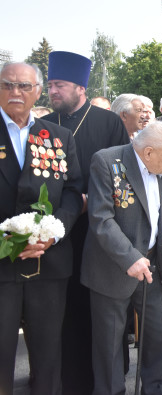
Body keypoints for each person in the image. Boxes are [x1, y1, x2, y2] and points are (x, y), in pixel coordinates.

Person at [43, 50, 130, 394]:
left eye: (59, 85)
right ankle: (71, 381)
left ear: (80, 87)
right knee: (66, 312)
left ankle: (109, 379)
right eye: (50, 85)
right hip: (58, 234)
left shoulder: (109, 123)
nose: (53, 92)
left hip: (99, 233)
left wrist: (91, 204)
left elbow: (121, 180)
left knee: (104, 313)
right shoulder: (45, 125)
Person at [0, 62, 82, 395]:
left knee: (49, 355)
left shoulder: (58, 137)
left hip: (48, 263)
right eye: (7, 85)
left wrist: (54, 229)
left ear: (37, 90)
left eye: (23, 86)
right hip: (1, 266)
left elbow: (75, 192)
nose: (15, 92)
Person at [82, 122, 162, 395]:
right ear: (148, 152)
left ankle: (157, 389)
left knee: (157, 335)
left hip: (150, 267)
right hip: (112, 268)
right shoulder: (106, 161)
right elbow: (101, 219)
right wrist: (129, 258)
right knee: (109, 342)